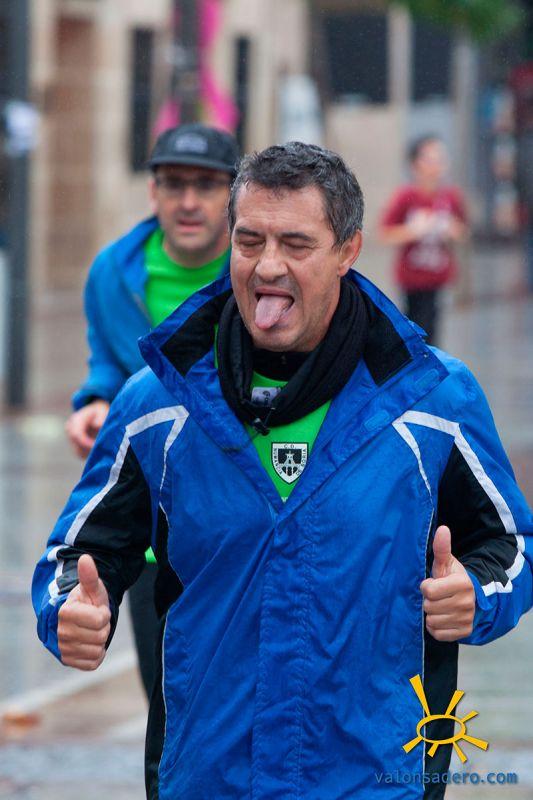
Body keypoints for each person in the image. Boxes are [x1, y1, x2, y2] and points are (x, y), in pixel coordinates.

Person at [33, 142, 533, 799]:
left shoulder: (434, 401)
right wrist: (69, 609)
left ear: (347, 251)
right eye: (249, 241)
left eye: (296, 244)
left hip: (377, 779)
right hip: (207, 778)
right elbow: (77, 554)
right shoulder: (155, 405)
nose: (267, 266)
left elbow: (512, 545)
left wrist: (477, 593)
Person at [64, 122, 239, 699]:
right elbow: (110, 364)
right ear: (152, 191)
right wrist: (95, 402)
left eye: (206, 186)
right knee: (166, 704)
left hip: (238, 525)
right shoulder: (113, 272)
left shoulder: (255, 272)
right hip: (150, 532)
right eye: (174, 184)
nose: (188, 202)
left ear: (233, 195)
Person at [379, 135, 468, 345]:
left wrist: (452, 230)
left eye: (441, 159)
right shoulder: (405, 196)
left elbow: (463, 231)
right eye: (430, 159)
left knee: (434, 330)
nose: (437, 166)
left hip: (438, 276)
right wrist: (413, 230)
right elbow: (384, 233)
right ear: (415, 164)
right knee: (415, 329)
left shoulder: (450, 197)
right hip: (412, 279)